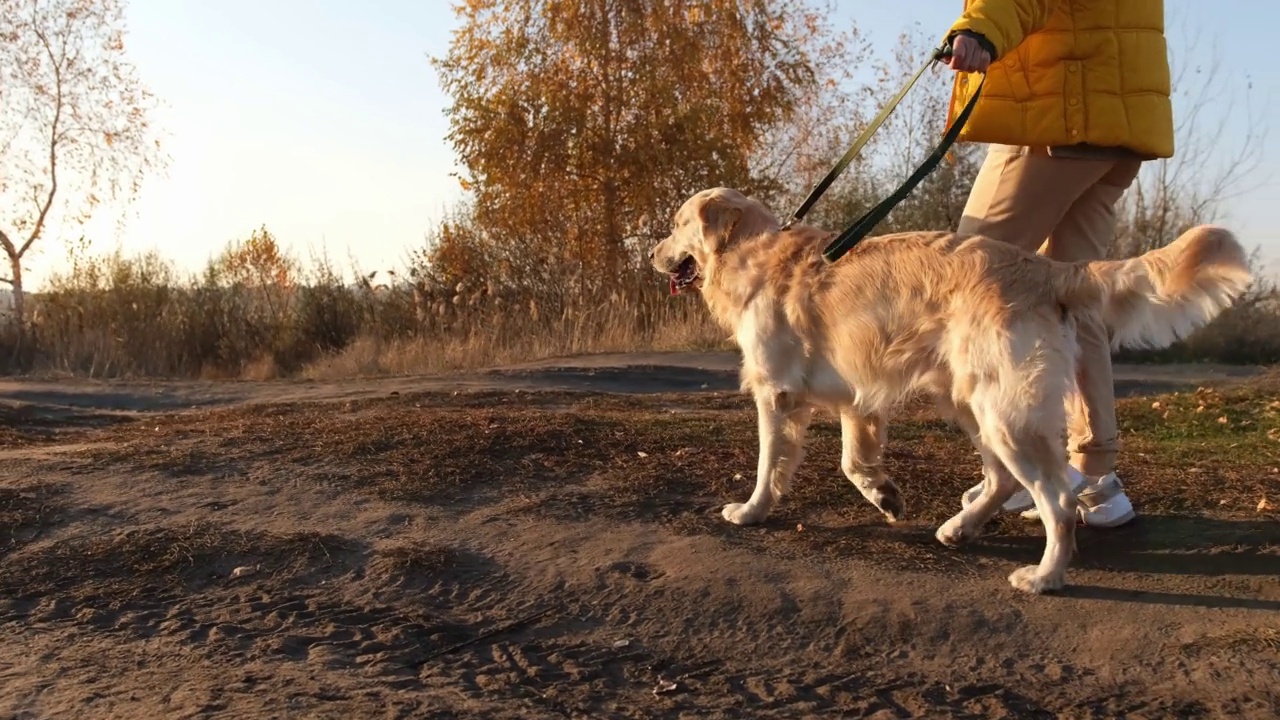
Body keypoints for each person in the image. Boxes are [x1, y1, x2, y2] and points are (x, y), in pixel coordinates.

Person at [940, 0, 1174, 528]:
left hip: (1058, 118)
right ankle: (1095, 476)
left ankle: (1020, 467)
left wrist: (979, 29)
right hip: (1115, 126)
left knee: (968, 281)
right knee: (1075, 295)